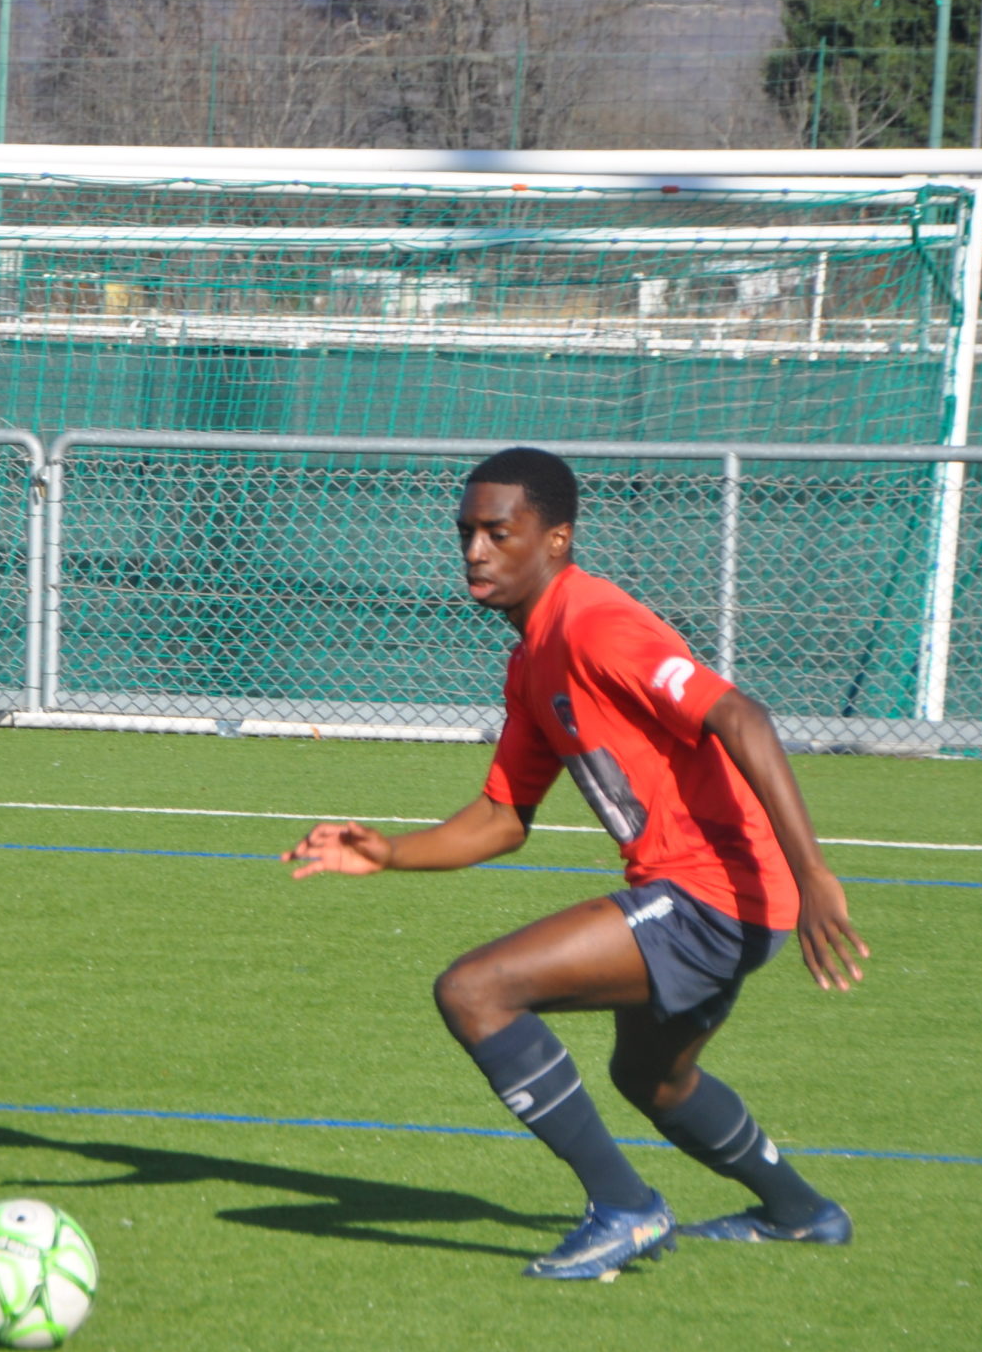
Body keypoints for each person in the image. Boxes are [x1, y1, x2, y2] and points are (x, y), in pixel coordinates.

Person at [284, 447, 868, 1280]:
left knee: (476, 990)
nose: (475, 551)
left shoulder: (596, 624)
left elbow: (740, 714)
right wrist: (391, 852)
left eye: (498, 531)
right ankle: (803, 1213)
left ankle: (628, 1210)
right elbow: (501, 817)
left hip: (716, 898)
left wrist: (815, 875)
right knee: (652, 1080)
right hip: (706, 898)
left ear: (556, 539)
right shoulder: (530, 660)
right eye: (465, 533)